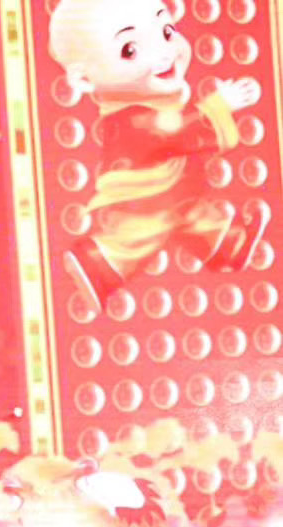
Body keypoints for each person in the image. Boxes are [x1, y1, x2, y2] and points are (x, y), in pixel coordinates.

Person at [47, 0, 266, 314]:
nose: (164, 52)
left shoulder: (143, 103)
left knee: (191, 214)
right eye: (130, 50)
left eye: (166, 32)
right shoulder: (135, 118)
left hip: (171, 184)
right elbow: (173, 131)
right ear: (83, 79)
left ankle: (228, 245)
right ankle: (97, 264)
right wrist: (220, 105)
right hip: (148, 190)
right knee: (141, 233)